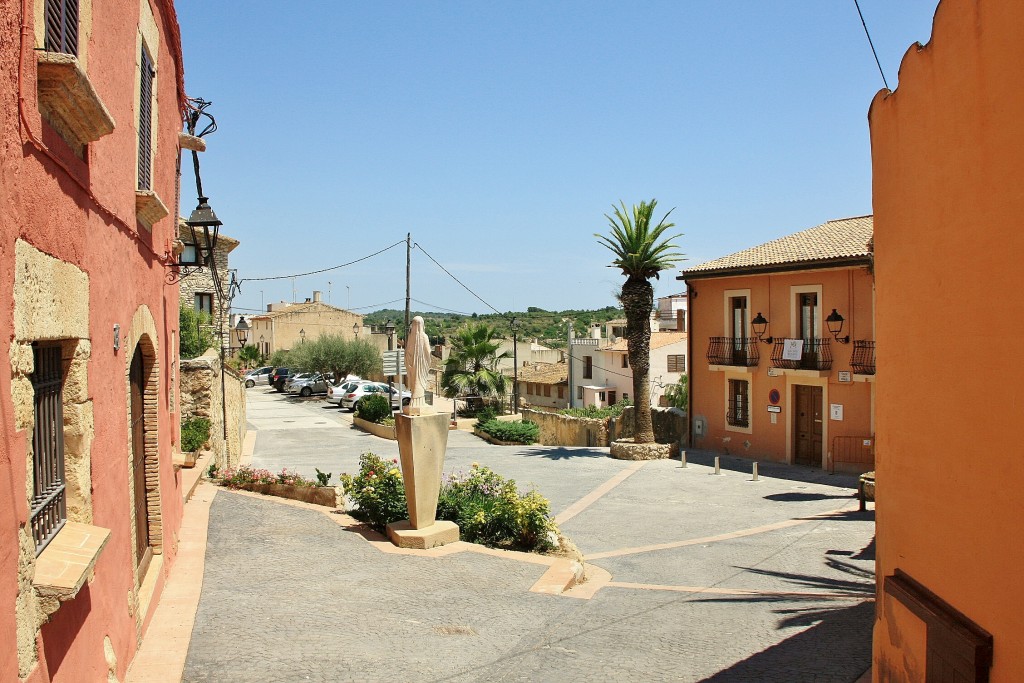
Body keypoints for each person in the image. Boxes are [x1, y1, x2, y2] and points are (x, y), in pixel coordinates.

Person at [405, 316, 432, 414]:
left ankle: (414, 402)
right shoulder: (424, 336)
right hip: (421, 366)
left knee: (414, 383)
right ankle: (419, 403)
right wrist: (427, 360)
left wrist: (409, 364)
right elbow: (428, 351)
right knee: (419, 382)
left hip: (412, 367)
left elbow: (407, 352)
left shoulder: (410, 337)